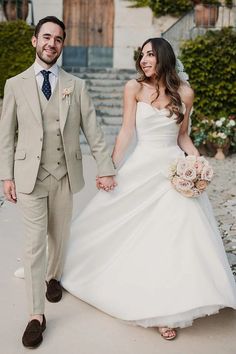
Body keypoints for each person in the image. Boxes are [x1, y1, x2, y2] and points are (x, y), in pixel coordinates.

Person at [61, 37, 236, 340]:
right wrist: (108, 168)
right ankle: (73, 268)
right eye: (141, 55)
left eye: (150, 55)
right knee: (113, 222)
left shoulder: (185, 93)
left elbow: (182, 137)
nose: (143, 60)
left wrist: (197, 163)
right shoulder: (134, 88)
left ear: (164, 57)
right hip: (141, 167)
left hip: (173, 172)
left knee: (174, 236)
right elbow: (127, 131)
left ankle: (167, 309)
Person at [0, 16, 116, 348]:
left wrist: (105, 167)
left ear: (62, 45)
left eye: (59, 39)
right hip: (29, 178)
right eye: (47, 37)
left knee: (59, 235)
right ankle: (36, 315)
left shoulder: (75, 85)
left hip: (65, 174)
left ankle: (54, 277)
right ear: (34, 41)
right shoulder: (15, 84)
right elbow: (6, 135)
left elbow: (92, 131)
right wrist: (6, 175)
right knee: (34, 244)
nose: (52, 43)